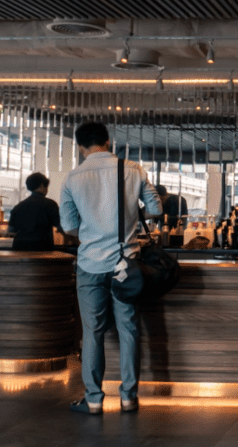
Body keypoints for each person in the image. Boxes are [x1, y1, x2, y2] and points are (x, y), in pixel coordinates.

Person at [60, 122, 161, 415]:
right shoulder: (133, 169)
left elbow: (69, 226)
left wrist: (93, 230)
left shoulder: (72, 177)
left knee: (92, 332)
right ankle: (128, 397)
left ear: (80, 146)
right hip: (125, 264)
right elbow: (155, 210)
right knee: (129, 329)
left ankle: (93, 399)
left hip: (90, 263)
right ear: (108, 141)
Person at [7, 172, 62, 251]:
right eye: (46, 187)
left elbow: (11, 231)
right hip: (43, 250)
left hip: (20, 251)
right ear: (42, 185)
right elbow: (60, 227)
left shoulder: (18, 207)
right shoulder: (51, 204)